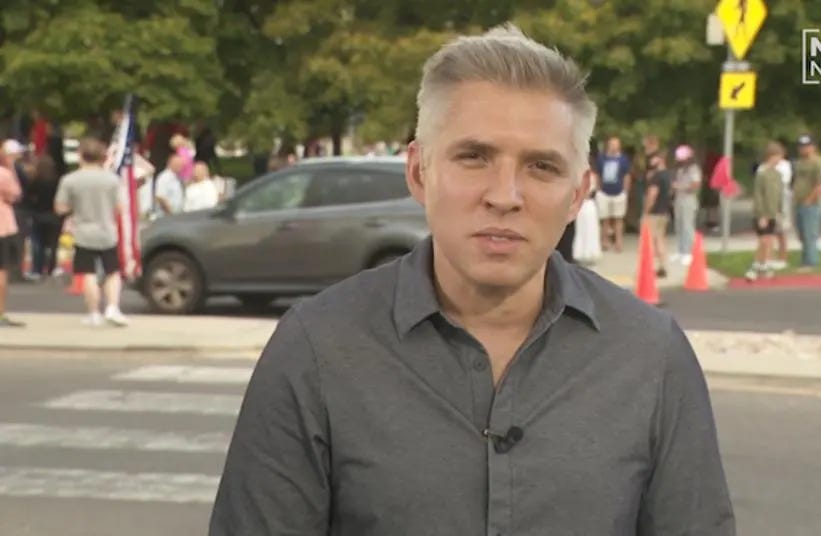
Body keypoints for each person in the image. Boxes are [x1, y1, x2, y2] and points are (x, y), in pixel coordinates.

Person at [209, 23, 735, 535]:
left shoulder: (651, 356)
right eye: (474, 157)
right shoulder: (317, 349)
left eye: (541, 167)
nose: (504, 196)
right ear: (419, 171)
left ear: (578, 194)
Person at [54, 138, 129, 327]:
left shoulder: (70, 180)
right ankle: (112, 307)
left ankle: (94, 313)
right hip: (108, 231)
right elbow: (120, 207)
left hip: (83, 232)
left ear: (81, 156)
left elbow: (60, 207)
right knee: (112, 272)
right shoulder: (112, 179)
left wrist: (75, 208)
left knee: (88, 273)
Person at [745, 142, 786, 281]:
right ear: (771, 156)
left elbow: (779, 195)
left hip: (773, 212)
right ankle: (754, 267)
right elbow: (758, 195)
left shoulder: (778, 175)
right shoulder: (762, 174)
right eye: (778, 156)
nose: (780, 160)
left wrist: (779, 211)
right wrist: (761, 215)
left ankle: (765, 265)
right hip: (762, 213)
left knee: (769, 241)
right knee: (763, 241)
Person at [25, 154, 64, 278]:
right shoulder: (57, 181)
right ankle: (52, 268)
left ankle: (37, 269)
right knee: (53, 244)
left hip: (38, 214)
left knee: (38, 244)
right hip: (54, 215)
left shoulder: (36, 181)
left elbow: (28, 196)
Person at [0, 147, 26, 327]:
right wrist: (11, 168)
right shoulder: (4, 174)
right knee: (1, 271)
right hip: (2, 227)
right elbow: (15, 195)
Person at [793, 134, 821, 271]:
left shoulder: (817, 162)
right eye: (801, 146)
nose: (803, 149)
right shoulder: (799, 163)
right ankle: (805, 259)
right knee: (801, 233)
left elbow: (820, 184)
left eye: (806, 146)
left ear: (813, 147)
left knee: (809, 233)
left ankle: (811, 262)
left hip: (810, 203)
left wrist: (810, 199)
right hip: (798, 201)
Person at [594, 136, 632, 252]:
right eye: (612, 144)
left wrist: (625, 191)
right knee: (604, 218)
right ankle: (604, 241)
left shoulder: (623, 159)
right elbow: (597, 174)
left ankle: (618, 242)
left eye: (616, 144)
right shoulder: (602, 158)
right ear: (608, 145)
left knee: (618, 219)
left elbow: (627, 175)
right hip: (604, 193)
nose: (614, 146)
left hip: (619, 193)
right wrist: (598, 189)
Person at [642, 150, 673, 278]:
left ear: (660, 160)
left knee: (652, 240)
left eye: (654, 159)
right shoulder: (668, 175)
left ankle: (652, 266)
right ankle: (662, 266)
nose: (651, 161)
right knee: (660, 239)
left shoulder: (656, 176)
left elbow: (652, 195)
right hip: (664, 211)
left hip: (654, 212)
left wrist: (646, 211)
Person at [672, 144, 702, 266]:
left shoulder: (694, 169)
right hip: (679, 198)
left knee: (687, 226)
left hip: (688, 199)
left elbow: (695, 185)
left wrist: (680, 187)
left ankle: (689, 253)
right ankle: (681, 251)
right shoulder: (680, 170)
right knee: (679, 225)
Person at [769, 147, 794, 270]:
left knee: (781, 231)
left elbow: (783, 181)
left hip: (781, 199)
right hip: (769, 201)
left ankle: (782, 258)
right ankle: (769, 258)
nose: (776, 158)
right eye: (773, 155)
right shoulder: (764, 167)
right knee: (769, 232)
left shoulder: (785, 166)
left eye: (778, 155)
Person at [572, 168, 601, 264]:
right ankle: (580, 253)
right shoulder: (579, 176)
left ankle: (590, 253)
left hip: (589, 204)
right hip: (582, 205)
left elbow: (595, 190)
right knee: (581, 229)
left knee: (591, 229)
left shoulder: (593, 176)